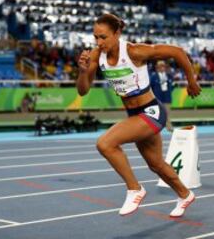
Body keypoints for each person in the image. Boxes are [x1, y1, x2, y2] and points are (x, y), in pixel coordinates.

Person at [76, 13, 201, 217]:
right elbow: (82, 91)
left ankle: (134, 189)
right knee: (156, 164)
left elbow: (177, 52)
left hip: (151, 111)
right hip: (135, 114)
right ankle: (185, 194)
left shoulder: (134, 51)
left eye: (103, 37)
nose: (98, 42)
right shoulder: (96, 56)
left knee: (105, 144)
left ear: (117, 33)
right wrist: (82, 71)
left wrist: (191, 81)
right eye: (95, 37)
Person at [150, 60, 173, 131]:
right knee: (157, 114)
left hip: (167, 98)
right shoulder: (153, 77)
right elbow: (151, 87)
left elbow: (171, 87)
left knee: (167, 114)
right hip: (158, 98)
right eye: (160, 66)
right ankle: (156, 128)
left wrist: (168, 93)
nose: (162, 68)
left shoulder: (169, 76)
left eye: (163, 66)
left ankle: (169, 127)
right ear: (157, 68)